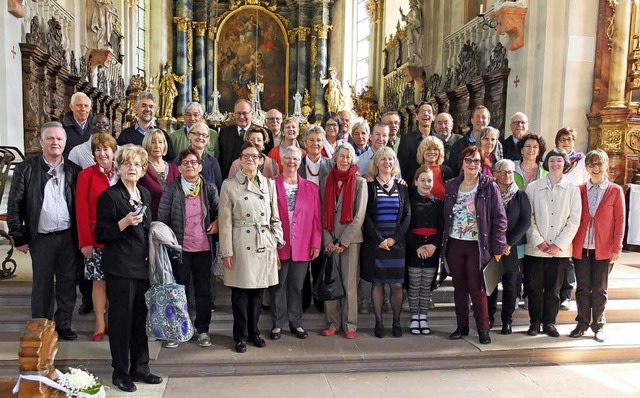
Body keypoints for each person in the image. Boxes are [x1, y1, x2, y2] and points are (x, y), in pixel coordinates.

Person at [94, 144, 163, 392]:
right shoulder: (110, 196)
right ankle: (120, 372)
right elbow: (100, 233)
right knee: (121, 323)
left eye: (137, 164)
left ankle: (140, 367)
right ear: (118, 167)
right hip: (121, 268)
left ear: (144, 169)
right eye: (127, 163)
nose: (132, 168)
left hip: (142, 267)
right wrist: (122, 223)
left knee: (139, 322)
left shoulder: (144, 193)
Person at [7, 121, 81, 341]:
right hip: (42, 237)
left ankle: (64, 324)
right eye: (50, 138)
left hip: (68, 236)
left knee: (68, 282)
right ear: (41, 142)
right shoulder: (26, 169)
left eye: (59, 139)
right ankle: (41, 324)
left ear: (65, 143)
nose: (55, 142)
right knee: (42, 284)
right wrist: (18, 235)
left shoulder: (74, 171)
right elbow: (15, 205)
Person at [219, 142, 284, 353]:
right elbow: (225, 221)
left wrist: (276, 242)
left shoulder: (268, 184)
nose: (250, 160)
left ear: (260, 159)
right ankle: (239, 336)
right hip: (240, 242)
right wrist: (226, 251)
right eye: (246, 156)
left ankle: (254, 332)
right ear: (239, 160)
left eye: (254, 156)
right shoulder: (229, 185)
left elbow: (275, 217)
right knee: (240, 294)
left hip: (263, 242)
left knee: (258, 293)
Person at [442, 146, 507, 345]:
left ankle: (483, 328)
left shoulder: (489, 186)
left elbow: (500, 218)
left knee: (477, 288)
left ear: (482, 164)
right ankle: (461, 326)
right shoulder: (452, 185)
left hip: (477, 245)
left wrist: (498, 247)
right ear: (462, 162)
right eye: (469, 160)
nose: (472, 165)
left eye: (476, 161)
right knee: (459, 287)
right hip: (455, 243)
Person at [158, 148, 219, 348]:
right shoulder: (171, 189)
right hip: (180, 249)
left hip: (203, 248)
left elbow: (219, 212)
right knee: (178, 290)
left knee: (203, 291)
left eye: (194, 162)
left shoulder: (208, 188)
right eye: (186, 162)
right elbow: (162, 220)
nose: (190, 165)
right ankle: (177, 330)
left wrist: (217, 222)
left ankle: (202, 330)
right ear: (179, 167)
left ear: (200, 166)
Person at [524, 148, 581, 338]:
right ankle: (534, 323)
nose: (555, 164)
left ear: (565, 164)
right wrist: (538, 241)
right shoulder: (533, 187)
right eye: (551, 161)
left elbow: (574, 220)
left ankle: (549, 323)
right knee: (534, 287)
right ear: (546, 164)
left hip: (559, 250)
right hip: (536, 249)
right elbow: (528, 217)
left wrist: (558, 244)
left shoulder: (573, 190)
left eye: (559, 161)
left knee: (554, 289)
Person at [570, 150, 625, 343]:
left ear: (605, 166)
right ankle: (582, 323)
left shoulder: (615, 191)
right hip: (582, 247)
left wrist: (617, 247)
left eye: (599, 164)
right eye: (592, 164)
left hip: (604, 248)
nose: (595, 168)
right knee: (583, 288)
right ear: (586, 168)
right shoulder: (579, 190)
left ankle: (599, 324)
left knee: (600, 288)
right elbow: (573, 218)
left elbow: (620, 220)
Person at [269, 146, 321, 340]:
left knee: (297, 286)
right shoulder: (271, 185)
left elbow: (316, 219)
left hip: (303, 245)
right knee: (278, 285)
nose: (292, 162)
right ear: (282, 160)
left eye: (296, 159)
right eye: (288, 158)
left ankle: (295, 322)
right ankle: (277, 324)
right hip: (279, 244)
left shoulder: (311, 188)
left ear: (301, 162)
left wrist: (316, 243)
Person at [361, 147, 410, 338]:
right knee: (378, 283)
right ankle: (379, 322)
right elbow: (366, 216)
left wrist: (394, 239)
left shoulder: (402, 186)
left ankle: (396, 322)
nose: (387, 162)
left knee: (397, 285)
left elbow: (407, 215)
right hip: (376, 244)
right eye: (383, 159)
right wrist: (379, 240)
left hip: (396, 243)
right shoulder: (369, 185)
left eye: (390, 158)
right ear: (376, 162)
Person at [320, 143, 367, 339]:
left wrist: (343, 241)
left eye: (348, 157)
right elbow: (322, 211)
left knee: (349, 284)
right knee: (331, 281)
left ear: (353, 160)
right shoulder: (325, 181)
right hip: (330, 238)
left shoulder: (359, 182)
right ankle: (332, 322)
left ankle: (350, 324)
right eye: (341, 156)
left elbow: (359, 215)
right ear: (335, 158)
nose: (345, 160)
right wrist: (328, 240)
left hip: (351, 241)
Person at [76, 133, 119, 342]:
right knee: (99, 282)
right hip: (97, 238)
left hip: (120, 238)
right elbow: (81, 210)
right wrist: (85, 242)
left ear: (114, 151)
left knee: (117, 282)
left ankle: (115, 320)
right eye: (98, 150)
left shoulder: (121, 172)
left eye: (106, 149)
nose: (102, 153)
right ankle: (100, 323)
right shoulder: (86, 175)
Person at [487, 159, 531, 335]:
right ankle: (489, 317)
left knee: (511, 285)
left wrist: (508, 243)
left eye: (510, 172)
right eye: (503, 172)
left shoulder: (520, 196)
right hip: (491, 247)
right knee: (490, 284)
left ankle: (507, 321)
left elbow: (525, 222)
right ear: (495, 174)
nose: (507, 175)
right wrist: (496, 243)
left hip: (513, 247)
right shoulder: (489, 194)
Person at [298, 125, 333, 312]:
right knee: (303, 263)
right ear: (305, 142)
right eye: (311, 140)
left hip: (323, 220)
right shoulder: (297, 164)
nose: (315, 143)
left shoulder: (330, 164)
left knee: (320, 261)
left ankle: (320, 300)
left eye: (319, 140)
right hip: (302, 221)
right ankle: (303, 302)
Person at [406, 166, 443, 335]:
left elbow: (442, 228)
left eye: (429, 180)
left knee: (426, 286)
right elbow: (405, 227)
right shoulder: (409, 201)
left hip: (432, 250)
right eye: (422, 180)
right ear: (415, 181)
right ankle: (414, 317)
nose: (426, 184)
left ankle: (423, 317)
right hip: (414, 248)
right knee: (414, 285)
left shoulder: (438, 203)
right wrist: (417, 247)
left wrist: (434, 245)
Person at [555, 127, 587, 310]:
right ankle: (553, 291)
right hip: (555, 212)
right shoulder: (554, 160)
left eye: (569, 139)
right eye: (562, 140)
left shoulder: (581, 162)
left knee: (568, 255)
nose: (566, 143)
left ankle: (566, 294)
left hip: (575, 213)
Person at [118, 92, 175, 162]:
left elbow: (170, 160)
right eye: (144, 106)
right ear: (136, 109)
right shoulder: (125, 135)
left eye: (151, 107)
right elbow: (120, 160)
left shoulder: (162, 135)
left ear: (154, 111)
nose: (148, 109)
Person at [138, 129, 180, 220]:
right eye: (152, 142)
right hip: (151, 219)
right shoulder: (141, 168)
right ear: (147, 144)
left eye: (160, 142)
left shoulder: (174, 169)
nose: (157, 146)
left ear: (165, 145)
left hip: (172, 220)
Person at [448, 106, 503, 175]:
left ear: (488, 120)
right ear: (472, 120)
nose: (480, 120)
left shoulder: (497, 145)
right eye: (477, 117)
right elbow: (454, 169)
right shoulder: (459, 144)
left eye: (483, 117)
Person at [174, 122, 223, 192]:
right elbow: (173, 188)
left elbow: (219, 189)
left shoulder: (213, 162)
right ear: (189, 135)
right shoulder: (179, 160)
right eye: (197, 134)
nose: (200, 137)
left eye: (204, 135)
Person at [398, 102, 438, 183]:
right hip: (413, 188)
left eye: (429, 111)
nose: (426, 114)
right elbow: (402, 167)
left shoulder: (439, 140)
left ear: (434, 117)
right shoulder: (406, 140)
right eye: (422, 111)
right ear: (416, 116)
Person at [219, 99, 256, 177]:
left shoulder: (261, 133)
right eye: (238, 113)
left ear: (252, 113)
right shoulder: (224, 133)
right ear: (234, 114)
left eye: (245, 113)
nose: (241, 117)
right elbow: (221, 158)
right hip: (229, 180)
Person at [415, 136, 454, 200]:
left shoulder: (447, 172)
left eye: (435, 149)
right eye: (428, 149)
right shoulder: (414, 171)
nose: (432, 152)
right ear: (422, 151)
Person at [62, 92, 93, 156]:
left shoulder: (96, 126)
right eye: (79, 105)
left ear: (90, 108)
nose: (83, 109)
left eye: (86, 106)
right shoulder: (62, 126)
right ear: (71, 107)